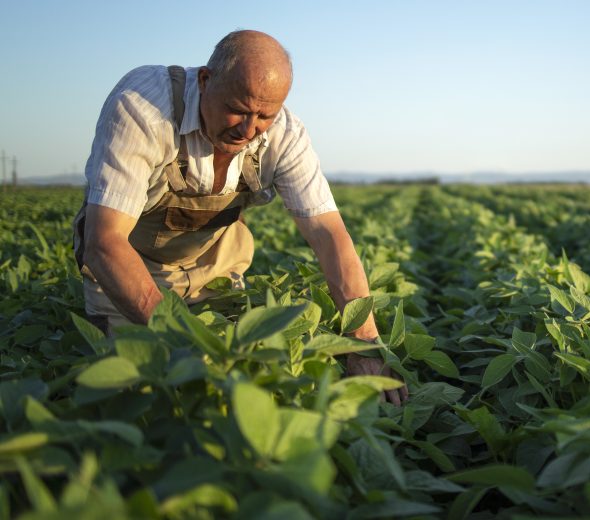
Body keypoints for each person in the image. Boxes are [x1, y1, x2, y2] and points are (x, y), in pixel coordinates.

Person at [72, 30, 407, 404]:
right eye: (238, 109)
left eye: (265, 115)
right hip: (128, 270)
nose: (248, 130)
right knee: (143, 391)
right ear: (205, 80)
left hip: (215, 267)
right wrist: (188, 344)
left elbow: (329, 235)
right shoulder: (143, 107)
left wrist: (362, 344)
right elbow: (104, 244)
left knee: (253, 383)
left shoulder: (286, 135)